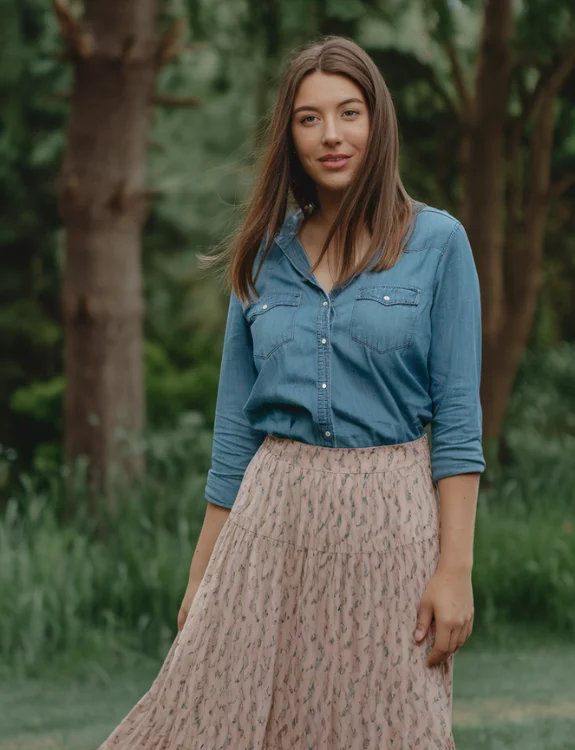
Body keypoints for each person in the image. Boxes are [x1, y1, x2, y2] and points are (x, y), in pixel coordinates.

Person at [98, 34, 485, 750]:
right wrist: (201, 578)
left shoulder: (438, 244)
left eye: (348, 113)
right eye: (309, 118)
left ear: (377, 125)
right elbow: (233, 435)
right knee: (219, 726)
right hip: (268, 524)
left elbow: (458, 424)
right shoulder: (261, 256)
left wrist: (453, 570)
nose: (330, 135)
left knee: (388, 729)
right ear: (289, 133)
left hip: (390, 531)